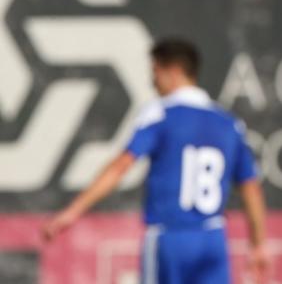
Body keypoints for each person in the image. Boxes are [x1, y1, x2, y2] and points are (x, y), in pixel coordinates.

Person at [43, 38, 269, 284]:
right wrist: (258, 244)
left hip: (169, 238)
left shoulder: (161, 114)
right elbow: (250, 188)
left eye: (155, 72)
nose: (152, 82)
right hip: (212, 239)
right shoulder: (228, 123)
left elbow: (120, 167)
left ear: (172, 71)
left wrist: (72, 211)